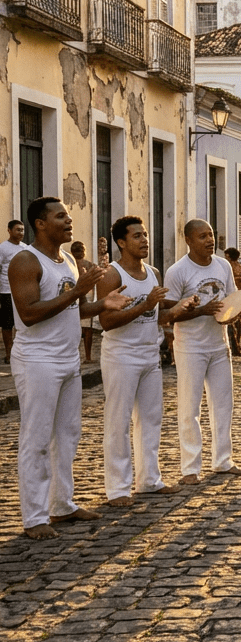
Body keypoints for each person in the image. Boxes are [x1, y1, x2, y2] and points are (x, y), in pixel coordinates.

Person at [9, 197, 130, 539]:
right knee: (36, 439)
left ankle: (62, 505)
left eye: (68, 214)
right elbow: (30, 314)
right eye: (60, 215)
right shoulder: (24, 261)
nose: (69, 219)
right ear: (40, 223)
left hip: (67, 359)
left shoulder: (68, 263)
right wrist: (78, 290)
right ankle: (34, 517)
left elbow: (71, 311)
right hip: (37, 361)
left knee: (67, 436)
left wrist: (102, 303)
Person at [96, 216, 195, 506]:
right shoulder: (112, 275)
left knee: (151, 419)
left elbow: (158, 317)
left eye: (145, 235)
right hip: (120, 356)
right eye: (137, 236)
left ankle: (149, 480)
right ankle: (117, 488)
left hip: (149, 353)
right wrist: (146, 305)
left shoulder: (152, 272)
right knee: (118, 420)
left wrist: (178, 308)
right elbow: (107, 321)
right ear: (121, 243)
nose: (144, 241)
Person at [164, 219, 241, 484]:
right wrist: (199, 311)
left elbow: (232, 300)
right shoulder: (177, 271)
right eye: (202, 236)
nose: (209, 240)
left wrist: (230, 316)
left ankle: (223, 461)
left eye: (211, 234)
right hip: (190, 347)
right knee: (190, 408)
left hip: (220, 345)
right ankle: (190, 468)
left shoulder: (223, 265)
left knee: (223, 405)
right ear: (188, 240)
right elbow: (169, 314)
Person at [0, 219, 27, 362]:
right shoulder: (3, 248)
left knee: (22, 323)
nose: (21, 233)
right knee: (7, 323)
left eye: (22, 230)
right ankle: (9, 353)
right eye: (18, 230)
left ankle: (20, 352)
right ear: (9, 231)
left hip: (22, 292)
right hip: (6, 291)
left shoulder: (25, 248)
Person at [70, 241, 96, 362]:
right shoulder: (90, 265)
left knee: (73, 328)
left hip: (72, 298)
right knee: (87, 330)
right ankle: (88, 356)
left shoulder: (69, 265)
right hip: (87, 297)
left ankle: (74, 355)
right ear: (83, 252)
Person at [223, 247, 241, 358]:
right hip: (237, 294)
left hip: (232, 296)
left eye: (226, 256)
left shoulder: (228, 267)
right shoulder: (240, 266)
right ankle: (236, 345)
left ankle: (235, 346)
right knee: (236, 323)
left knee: (232, 323)